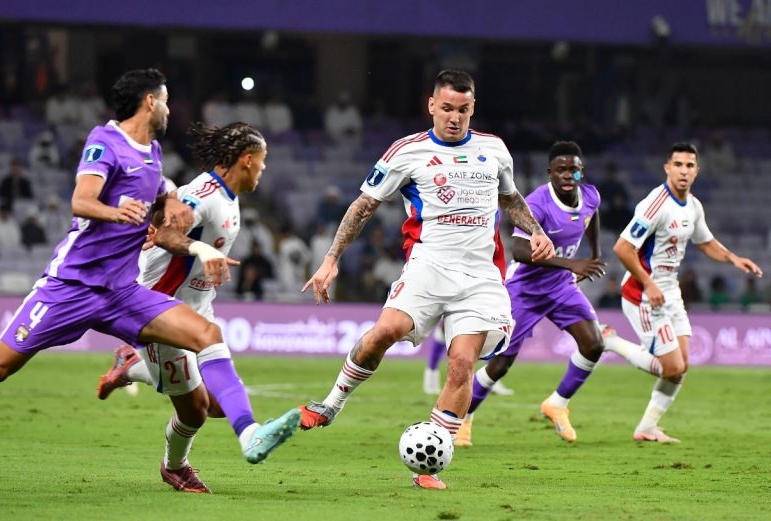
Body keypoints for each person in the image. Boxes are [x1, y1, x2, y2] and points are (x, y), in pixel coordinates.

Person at [0, 69, 297, 479]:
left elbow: (157, 190)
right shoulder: (105, 141)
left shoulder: (152, 151)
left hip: (122, 292)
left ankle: (250, 435)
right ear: (149, 101)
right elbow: (81, 201)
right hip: (71, 287)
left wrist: (169, 199)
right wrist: (117, 212)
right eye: (166, 101)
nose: (170, 110)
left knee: (207, 334)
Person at [296, 70, 554, 489]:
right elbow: (363, 206)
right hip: (428, 266)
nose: (455, 117)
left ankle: (428, 465)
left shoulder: (494, 149)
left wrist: (536, 231)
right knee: (383, 333)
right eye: (447, 108)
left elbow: (509, 198)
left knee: (462, 364)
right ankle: (332, 403)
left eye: (463, 110)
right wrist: (330, 259)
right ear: (432, 105)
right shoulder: (407, 151)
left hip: (480, 276)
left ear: (473, 108)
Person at [95, 121, 299, 493]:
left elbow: (162, 219)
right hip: (160, 309)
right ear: (247, 159)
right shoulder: (204, 195)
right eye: (263, 160)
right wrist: (200, 248)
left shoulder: (229, 198)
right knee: (196, 411)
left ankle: (131, 368)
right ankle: (175, 466)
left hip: (198, 305)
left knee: (217, 404)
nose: (264, 168)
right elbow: (168, 232)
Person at [602, 142, 762, 443]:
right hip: (643, 294)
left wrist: (733, 258)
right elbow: (622, 248)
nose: (684, 171)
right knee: (672, 366)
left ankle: (647, 428)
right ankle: (609, 341)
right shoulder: (655, 204)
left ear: (697, 171)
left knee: (682, 366)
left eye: (689, 166)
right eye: (678, 165)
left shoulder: (693, 206)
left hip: (670, 292)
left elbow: (705, 241)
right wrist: (649, 283)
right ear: (667, 168)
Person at [454, 141, 606, 446]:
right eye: (561, 170)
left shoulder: (590, 195)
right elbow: (521, 251)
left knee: (594, 345)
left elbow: (591, 217)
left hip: (561, 286)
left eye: (574, 170)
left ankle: (557, 404)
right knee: (500, 364)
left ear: (582, 172)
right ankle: (461, 418)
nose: (568, 175)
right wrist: (572, 263)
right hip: (525, 289)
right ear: (550, 173)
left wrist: (595, 254)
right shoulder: (537, 204)